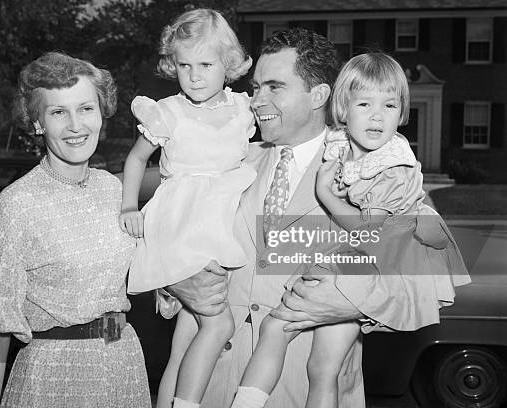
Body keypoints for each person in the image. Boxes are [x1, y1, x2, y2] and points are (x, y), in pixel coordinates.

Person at [158, 28, 470, 408]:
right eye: (256, 87)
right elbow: (169, 235)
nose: (257, 101)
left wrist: (356, 303)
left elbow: (431, 272)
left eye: (275, 87)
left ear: (319, 95)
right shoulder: (228, 161)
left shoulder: (373, 168)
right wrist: (174, 284)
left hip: (304, 392)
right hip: (212, 391)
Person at [0, 52, 151, 408]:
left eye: (86, 108)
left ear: (102, 113)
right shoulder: (18, 203)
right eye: (58, 112)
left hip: (123, 366)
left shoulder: (116, 191)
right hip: (53, 375)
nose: (76, 125)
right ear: (37, 123)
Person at [119, 8, 255, 408]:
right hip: (181, 226)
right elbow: (134, 159)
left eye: (206, 64)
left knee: (185, 339)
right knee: (219, 323)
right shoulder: (169, 112)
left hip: (216, 227)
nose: (195, 76)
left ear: (228, 65)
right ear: (172, 65)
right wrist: (130, 206)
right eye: (184, 65)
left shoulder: (242, 109)